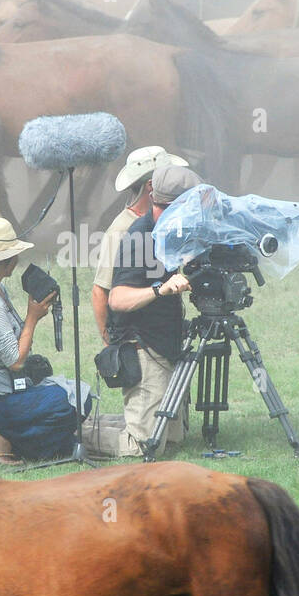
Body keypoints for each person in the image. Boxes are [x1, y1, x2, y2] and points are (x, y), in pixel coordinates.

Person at [84, 164, 202, 458]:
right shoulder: (139, 238)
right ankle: (67, 429)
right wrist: (159, 289)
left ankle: (105, 422)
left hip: (167, 344)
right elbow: (117, 298)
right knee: (142, 448)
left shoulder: (174, 231)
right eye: (164, 207)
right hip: (144, 348)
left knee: (173, 439)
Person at [0, 217, 76, 465]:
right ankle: (1, 436)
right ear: (4, 260)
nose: (17, 259)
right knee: (70, 403)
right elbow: (14, 361)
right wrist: (32, 318)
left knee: (67, 394)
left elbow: (13, 342)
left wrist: (34, 313)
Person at [91, 145, 189, 346]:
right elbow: (100, 292)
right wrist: (110, 347)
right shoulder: (122, 230)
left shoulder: (160, 223)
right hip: (138, 347)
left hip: (162, 340)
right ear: (151, 186)